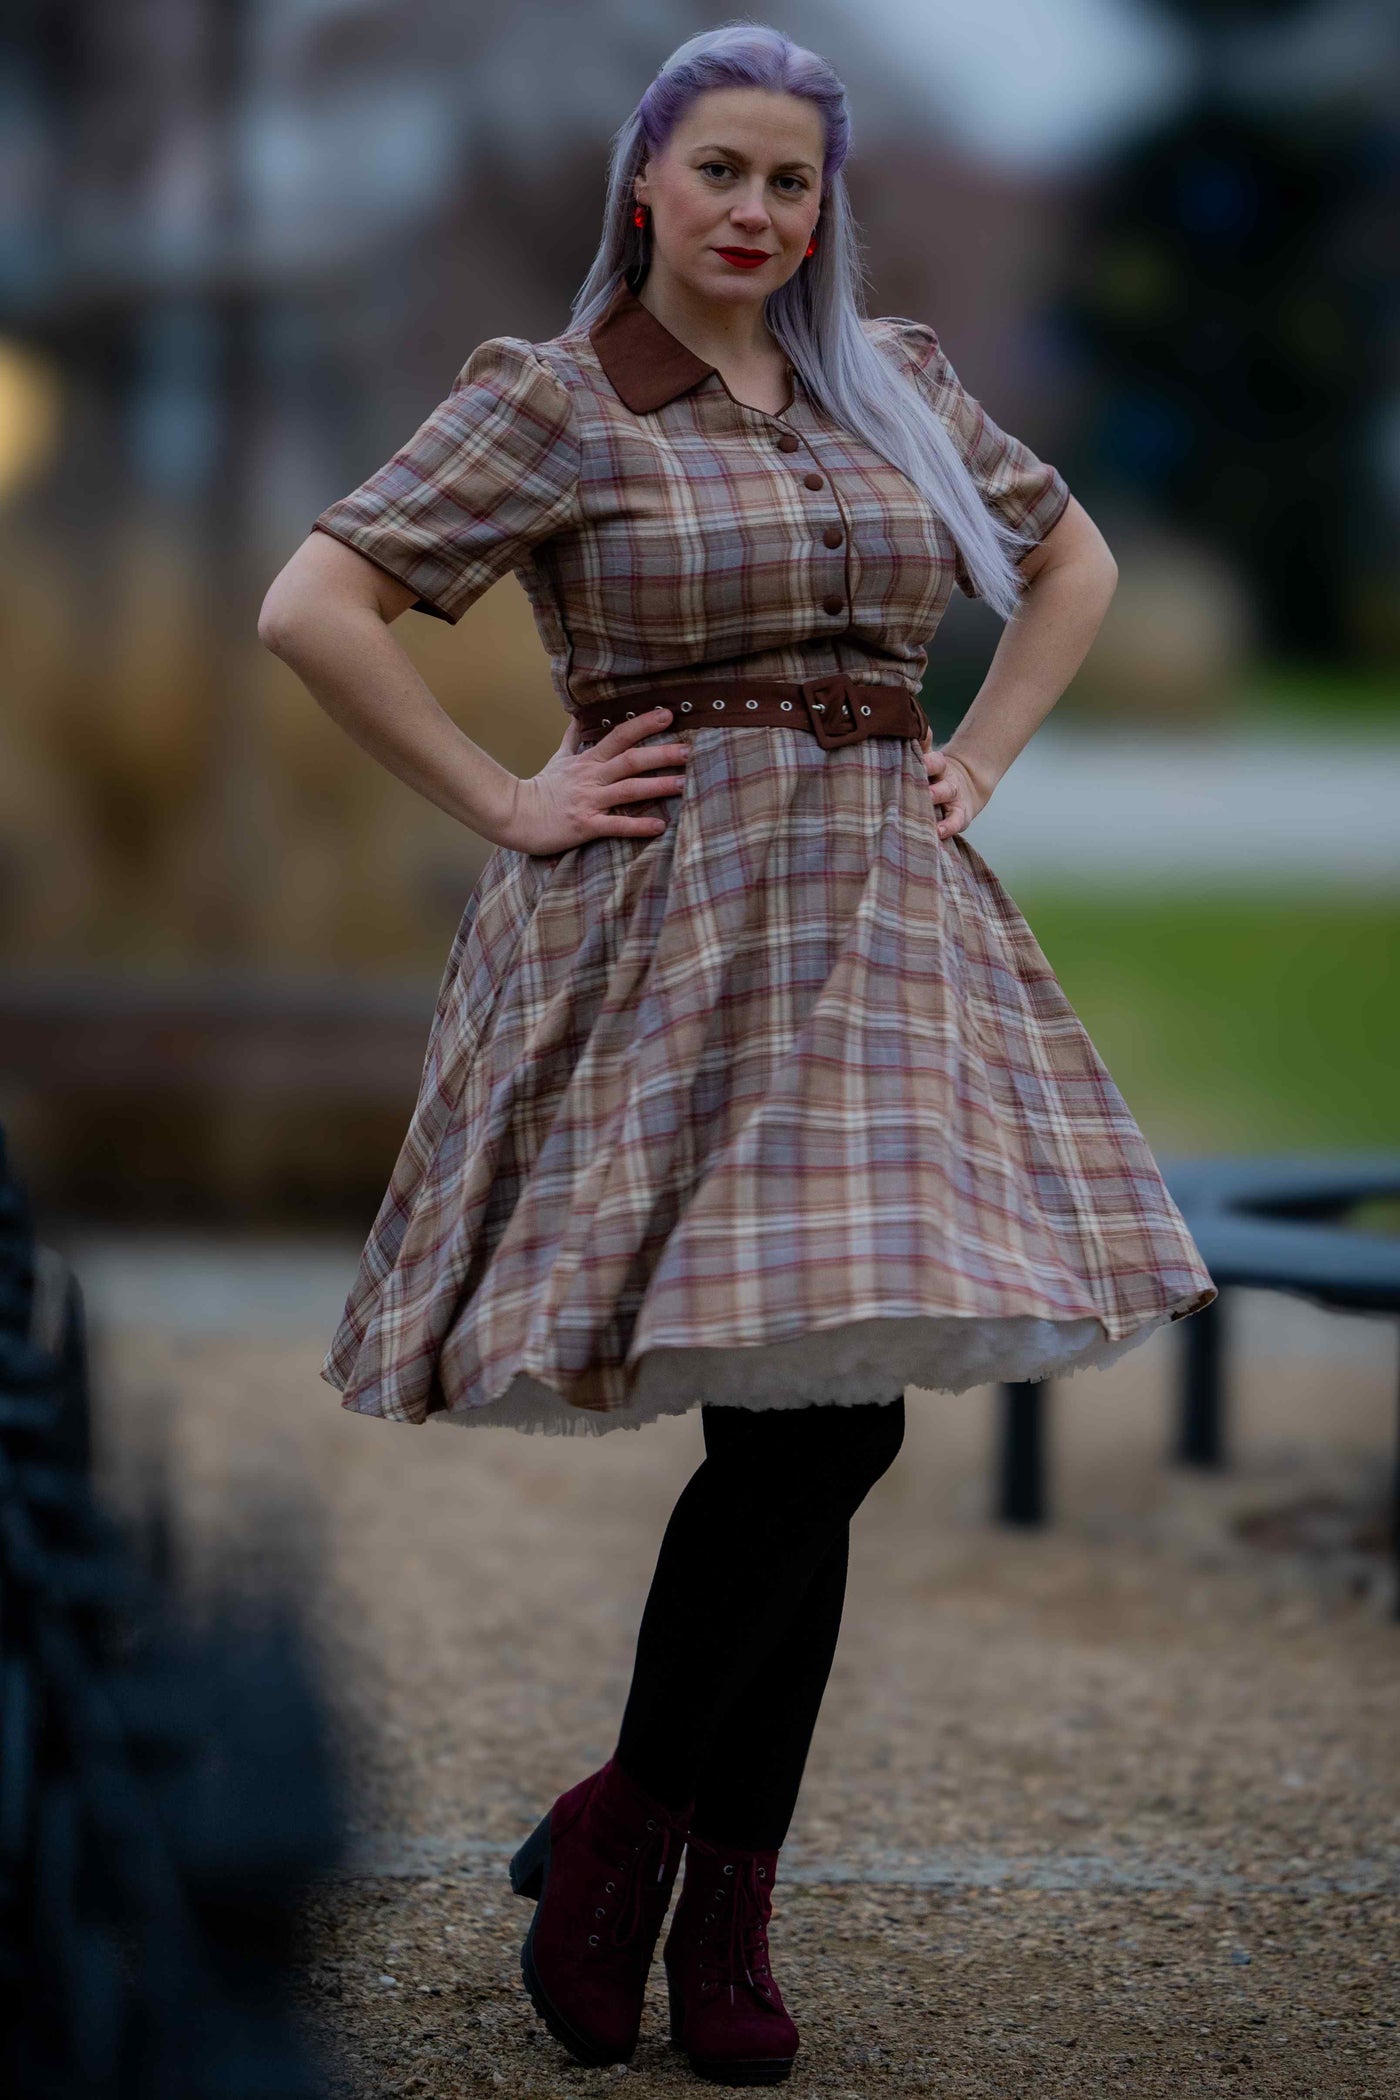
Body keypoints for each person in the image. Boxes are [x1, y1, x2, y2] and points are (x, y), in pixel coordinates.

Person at [259, 23, 1217, 2087]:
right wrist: (507, 799)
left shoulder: (904, 387)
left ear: (820, 208)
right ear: (646, 185)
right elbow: (313, 607)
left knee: (834, 1416)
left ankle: (677, 1868)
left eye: (791, 183)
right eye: (723, 174)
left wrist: (978, 750)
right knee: (809, 1435)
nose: (757, 214)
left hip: (880, 929)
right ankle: (646, 1864)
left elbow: (1072, 563)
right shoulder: (548, 401)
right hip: (670, 941)